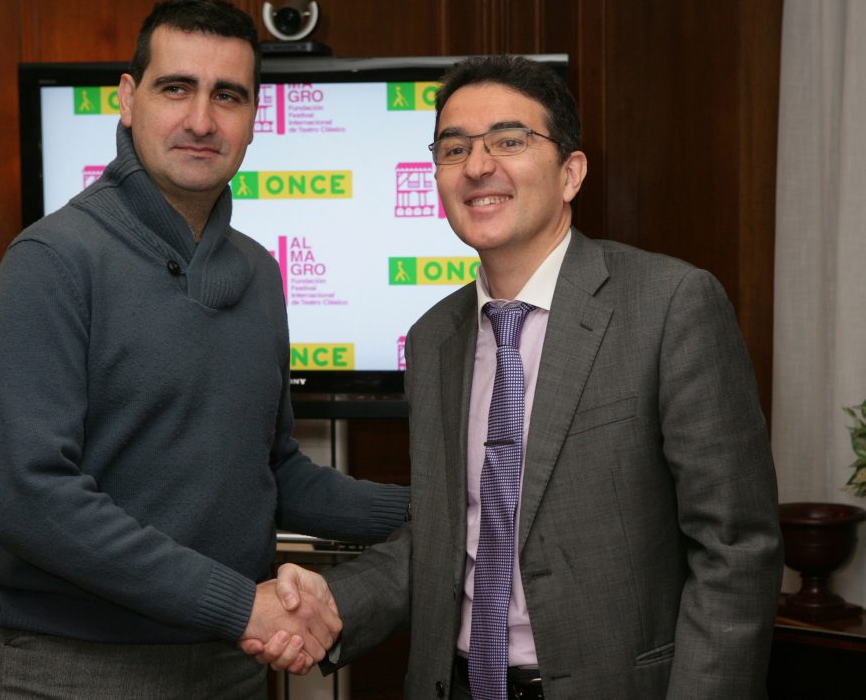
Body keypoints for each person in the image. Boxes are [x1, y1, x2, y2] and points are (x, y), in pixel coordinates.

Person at [247, 55, 783, 698]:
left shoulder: (670, 305)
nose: (477, 166)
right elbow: (448, 536)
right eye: (454, 147)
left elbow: (736, 550)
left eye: (509, 140)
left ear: (571, 173)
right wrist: (333, 604)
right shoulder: (433, 338)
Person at [0, 0, 407, 699]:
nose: (202, 120)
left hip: (231, 668)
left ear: (254, 119)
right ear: (127, 99)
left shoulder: (261, 273)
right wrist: (242, 604)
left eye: (227, 96)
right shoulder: (51, 261)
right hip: (76, 671)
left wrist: (447, 506)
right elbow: (34, 500)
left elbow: (273, 473)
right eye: (177, 88)